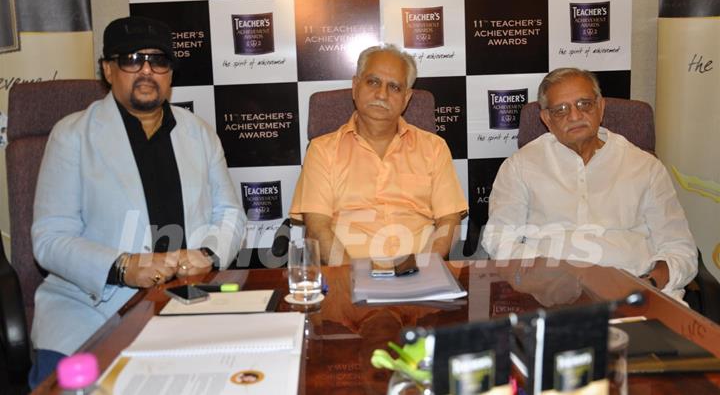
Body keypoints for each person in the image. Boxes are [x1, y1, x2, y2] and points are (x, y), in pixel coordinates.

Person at [29, 16, 245, 387]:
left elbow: (230, 215)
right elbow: (49, 239)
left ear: (170, 73)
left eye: (158, 61)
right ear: (108, 70)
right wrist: (122, 266)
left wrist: (208, 255)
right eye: (131, 59)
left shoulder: (199, 133)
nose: (147, 70)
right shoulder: (72, 136)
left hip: (184, 302)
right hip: (88, 311)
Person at [482, 67, 697, 299]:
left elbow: (679, 249)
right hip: (549, 295)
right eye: (561, 110)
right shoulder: (520, 166)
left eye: (584, 104)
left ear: (601, 107)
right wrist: (544, 276)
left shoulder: (645, 166)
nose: (574, 116)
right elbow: (499, 238)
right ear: (546, 119)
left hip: (635, 291)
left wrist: (649, 284)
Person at [290, 44, 467, 265]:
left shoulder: (434, 148)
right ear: (355, 86)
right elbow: (317, 227)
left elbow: (449, 221)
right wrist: (357, 276)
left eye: (394, 87)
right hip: (347, 277)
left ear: (406, 98)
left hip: (419, 275)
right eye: (373, 82)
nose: (382, 94)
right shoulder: (322, 150)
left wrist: (422, 270)